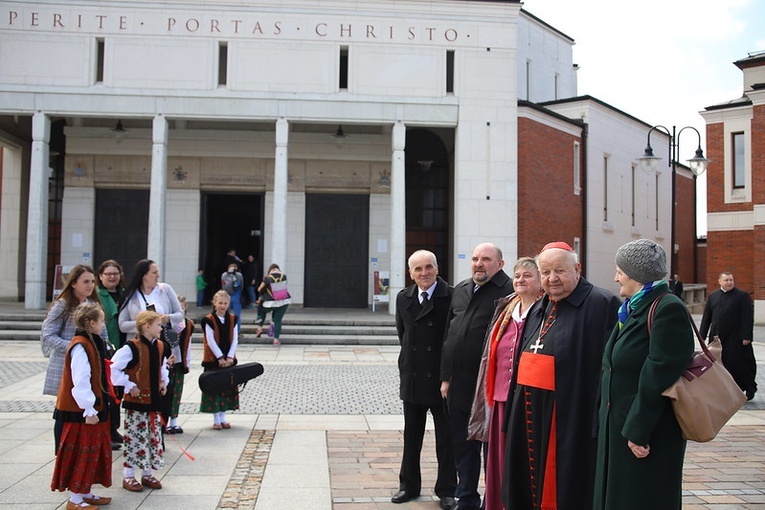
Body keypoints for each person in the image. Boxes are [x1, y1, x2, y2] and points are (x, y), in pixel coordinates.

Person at [502, 241, 620, 510]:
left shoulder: (602, 303)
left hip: (570, 416)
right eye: (545, 272)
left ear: (577, 269)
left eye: (559, 271)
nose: (551, 279)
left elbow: (610, 370)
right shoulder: (540, 304)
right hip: (529, 413)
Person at [593, 239, 695, 509]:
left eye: (620, 271)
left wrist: (638, 431)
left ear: (636, 274)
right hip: (621, 428)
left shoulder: (666, 308)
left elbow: (658, 374)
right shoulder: (634, 307)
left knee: (641, 498)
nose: (616, 278)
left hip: (647, 434)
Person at [440, 243, 514, 510]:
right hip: (458, 384)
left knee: (491, 447)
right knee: (462, 444)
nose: (478, 264)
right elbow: (450, 336)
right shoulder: (460, 289)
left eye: (485, 259)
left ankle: (491, 499)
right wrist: (445, 378)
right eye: (474, 259)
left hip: (490, 385)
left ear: (500, 264)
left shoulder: (509, 292)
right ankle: (467, 497)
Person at [468, 257, 543, 510]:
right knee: (497, 459)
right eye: (518, 276)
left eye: (527, 276)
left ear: (540, 280)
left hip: (525, 398)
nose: (521, 280)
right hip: (499, 396)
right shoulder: (507, 308)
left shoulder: (545, 311)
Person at [392, 250, 456, 509]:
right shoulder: (403, 298)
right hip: (413, 377)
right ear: (410, 273)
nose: (424, 273)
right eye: (418, 269)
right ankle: (408, 485)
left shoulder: (451, 297)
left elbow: (453, 341)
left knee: (446, 438)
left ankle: (448, 489)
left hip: (442, 381)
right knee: (411, 436)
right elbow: (402, 334)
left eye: (428, 267)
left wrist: (448, 376)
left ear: (437, 268)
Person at [50, 303, 114, 510]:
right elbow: (81, 379)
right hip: (81, 411)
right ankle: (75, 499)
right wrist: (88, 408)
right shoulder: (80, 345)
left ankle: (85, 491)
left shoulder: (91, 343)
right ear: (91, 323)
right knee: (81, 452)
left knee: (92, 451)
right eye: (102, 321)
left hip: (93, 408)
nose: (104, 325)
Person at [110, 310, 169, 493]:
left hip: (153, 402)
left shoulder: (159, 346)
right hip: (137, 403)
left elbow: (162, 366)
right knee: (135, 438)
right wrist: (128, 385)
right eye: (158, 325)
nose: (161, 328)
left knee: (152, 438)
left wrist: (163, 381)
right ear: (147, 326)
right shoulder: (131, 348)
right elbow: (113, 370)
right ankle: (128, 475)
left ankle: (147, 473)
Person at [42, 265, 107, 399]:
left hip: (92, 361)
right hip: (65, 363)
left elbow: (103, 333)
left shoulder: (93, 305)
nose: (90, 285)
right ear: (73, 284)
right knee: (67, 406)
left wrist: (103, 349)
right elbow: (48, 335)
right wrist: (75, 347)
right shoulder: (62, 305)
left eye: (92, 281)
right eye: (85, 282)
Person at [699, 271, 757, 400]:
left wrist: (746, 336)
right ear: (720, 281)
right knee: (718, 366)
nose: (729, 282)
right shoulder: (713, 296)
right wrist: (701, 335)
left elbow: (747, 318)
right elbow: (707, 317)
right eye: (726, 280)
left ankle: (749, 387)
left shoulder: (742, 296)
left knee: (740, 365)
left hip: (736, 338)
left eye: (731, 280)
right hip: (717, 338)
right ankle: (723, 391)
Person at [118, 259, 184, 348]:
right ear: (144, 275)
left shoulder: (165, 289)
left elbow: (180, 314)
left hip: (164, 343)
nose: (158, 275)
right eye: (154, 273)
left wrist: (167, 318)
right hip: (139, 346)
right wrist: (144, 324)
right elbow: (122, 325)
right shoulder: (131, 295)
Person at [96, 259, 126, 449]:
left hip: (124, 347)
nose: (112, 277)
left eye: (115, 273)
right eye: (108, 274)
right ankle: (106, 430)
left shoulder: (125, 294)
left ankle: (114, 427)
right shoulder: (99, 295)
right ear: (101, 276)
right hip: (108, 347)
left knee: (118, 392)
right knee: (108, 391)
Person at [200, 290, 239, 430]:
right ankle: (216, 419)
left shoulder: (233, 319)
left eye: (225, 303)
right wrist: (220, 358)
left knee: (226, 388)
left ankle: (223, 417)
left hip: (228, 359)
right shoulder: (208, 320)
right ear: (214, 303)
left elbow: (234, 339)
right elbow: (210, 341)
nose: (223, 306)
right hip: (213, 360)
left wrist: (230, 357)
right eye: (220, 303)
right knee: (215, 389)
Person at [163, 295, 194, 434]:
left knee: (176, 392)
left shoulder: (188, 325)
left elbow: (188, 344)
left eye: (181, 307)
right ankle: (163, 422)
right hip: (166, 362)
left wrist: (187, 361)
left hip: (180, 363)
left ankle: (174, 422)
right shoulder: (165, 325)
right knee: (165, 392)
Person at [256, 263, 291, 346]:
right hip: (284, 302)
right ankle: (276, 340)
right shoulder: (284, 276)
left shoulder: (267, 278)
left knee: (262, 311)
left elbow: (259, 289)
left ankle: (259, 328)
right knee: (278, 320)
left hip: (270, 302)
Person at [221, 262, 244, 330]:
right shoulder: (239, 275)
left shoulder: (224, 275)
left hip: (226, 295)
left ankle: (226, 330)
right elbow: (242, 285)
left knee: (225, 314)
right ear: (236, 268)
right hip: (236, 294)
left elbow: (223, 284)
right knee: (237, 314)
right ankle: (237, 331)